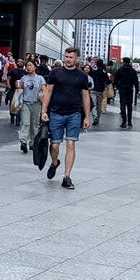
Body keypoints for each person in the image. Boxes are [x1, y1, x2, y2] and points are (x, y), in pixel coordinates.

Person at [39, 46, 91, 190]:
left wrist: (87, 116)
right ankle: (55, 162)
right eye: (66, 57)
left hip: (74, 114)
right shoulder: (55, 72)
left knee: (70, 144)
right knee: (54, 145)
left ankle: (66, 177)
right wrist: (44, 111)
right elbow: (48, 92)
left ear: (77, 58)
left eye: (71, 57)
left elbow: (86, 96)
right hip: (55, 113)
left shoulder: (82, 76)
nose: (68, 60)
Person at [16, 59, 44, 154]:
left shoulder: (40, 78)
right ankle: (23, 141)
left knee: (34, 125)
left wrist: (42, 95)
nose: (28, 67)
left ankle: (33, 143)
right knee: (25, 123)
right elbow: (19, 90)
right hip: (26, 103)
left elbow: (44, 90)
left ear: (35, 67)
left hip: (36, 104)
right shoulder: (24, 78)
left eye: (30, 65)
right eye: (27, 65)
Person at [113, 57, 139, 129]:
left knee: (123, 105)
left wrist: (118, 86)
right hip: (130, 89)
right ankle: (130, 122)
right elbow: (136, 81)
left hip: (122, 89)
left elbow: (115, 80)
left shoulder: (120, 70)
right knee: (129, 106)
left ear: (123, 62)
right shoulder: (133, 71)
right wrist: (137, 90)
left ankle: (124, 122)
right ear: (129, 61)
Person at [87, 57, 109, 127]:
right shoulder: (104, 71)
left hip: (93, 89)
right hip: (100, 90)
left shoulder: (93, 69)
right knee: (99, 105)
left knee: (93, 104)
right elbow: (107, 80)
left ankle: (94, 118)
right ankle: (98, 119)